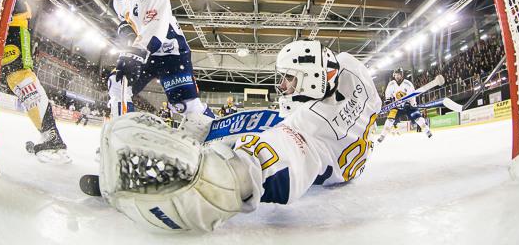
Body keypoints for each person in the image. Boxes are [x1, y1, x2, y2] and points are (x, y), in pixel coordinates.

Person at [97, 39, 381, 231]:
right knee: (270, 122)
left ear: (315, 77)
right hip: (346, 147)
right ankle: (207, 127)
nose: (282, 86)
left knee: (268, 136)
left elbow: (286, 154)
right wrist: (210, 128)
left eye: (290, 78)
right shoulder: (351, 69)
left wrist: (228, 179)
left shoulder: (310, 131)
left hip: (330, 164)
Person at [107, 0, 214, 137]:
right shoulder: (118, 0)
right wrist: (128, 37)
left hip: (171, 53)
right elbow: (125, 24)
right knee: (118, 84)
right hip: (146, 54)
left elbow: (155, 29)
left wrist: (133, 54)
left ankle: (214, 136)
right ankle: (122, 134)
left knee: (186, 107)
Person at [1, 0, 70, 163]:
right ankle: (49, 135)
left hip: (12, 18)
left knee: (19, 77)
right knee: (15, 77)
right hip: (1, 16)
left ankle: (51, 137)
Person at [377, 68, 432, 143]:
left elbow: (412, 96)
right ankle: (382, 136)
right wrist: (389, 103)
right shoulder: (391, 84)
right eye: (396, 75)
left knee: (418, 118)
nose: (397, 76)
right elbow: (388, 96)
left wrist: (412, 104)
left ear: (402, 75)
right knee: (390, 119)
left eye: (399, 75)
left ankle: (427, 131)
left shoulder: (408, 84)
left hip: (408, 106)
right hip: (397, 106)